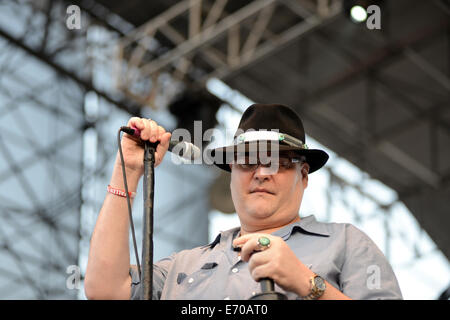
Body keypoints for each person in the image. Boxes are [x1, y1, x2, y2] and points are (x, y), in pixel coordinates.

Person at [84, 103, 403, 300]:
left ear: (303, 176)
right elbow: (105, 290)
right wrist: (126, 171)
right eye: (248, 161)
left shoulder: (347, 244)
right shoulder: (185, 265)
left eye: (277, 161)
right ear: (232, 174)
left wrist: (307, 283)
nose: (261, 173)